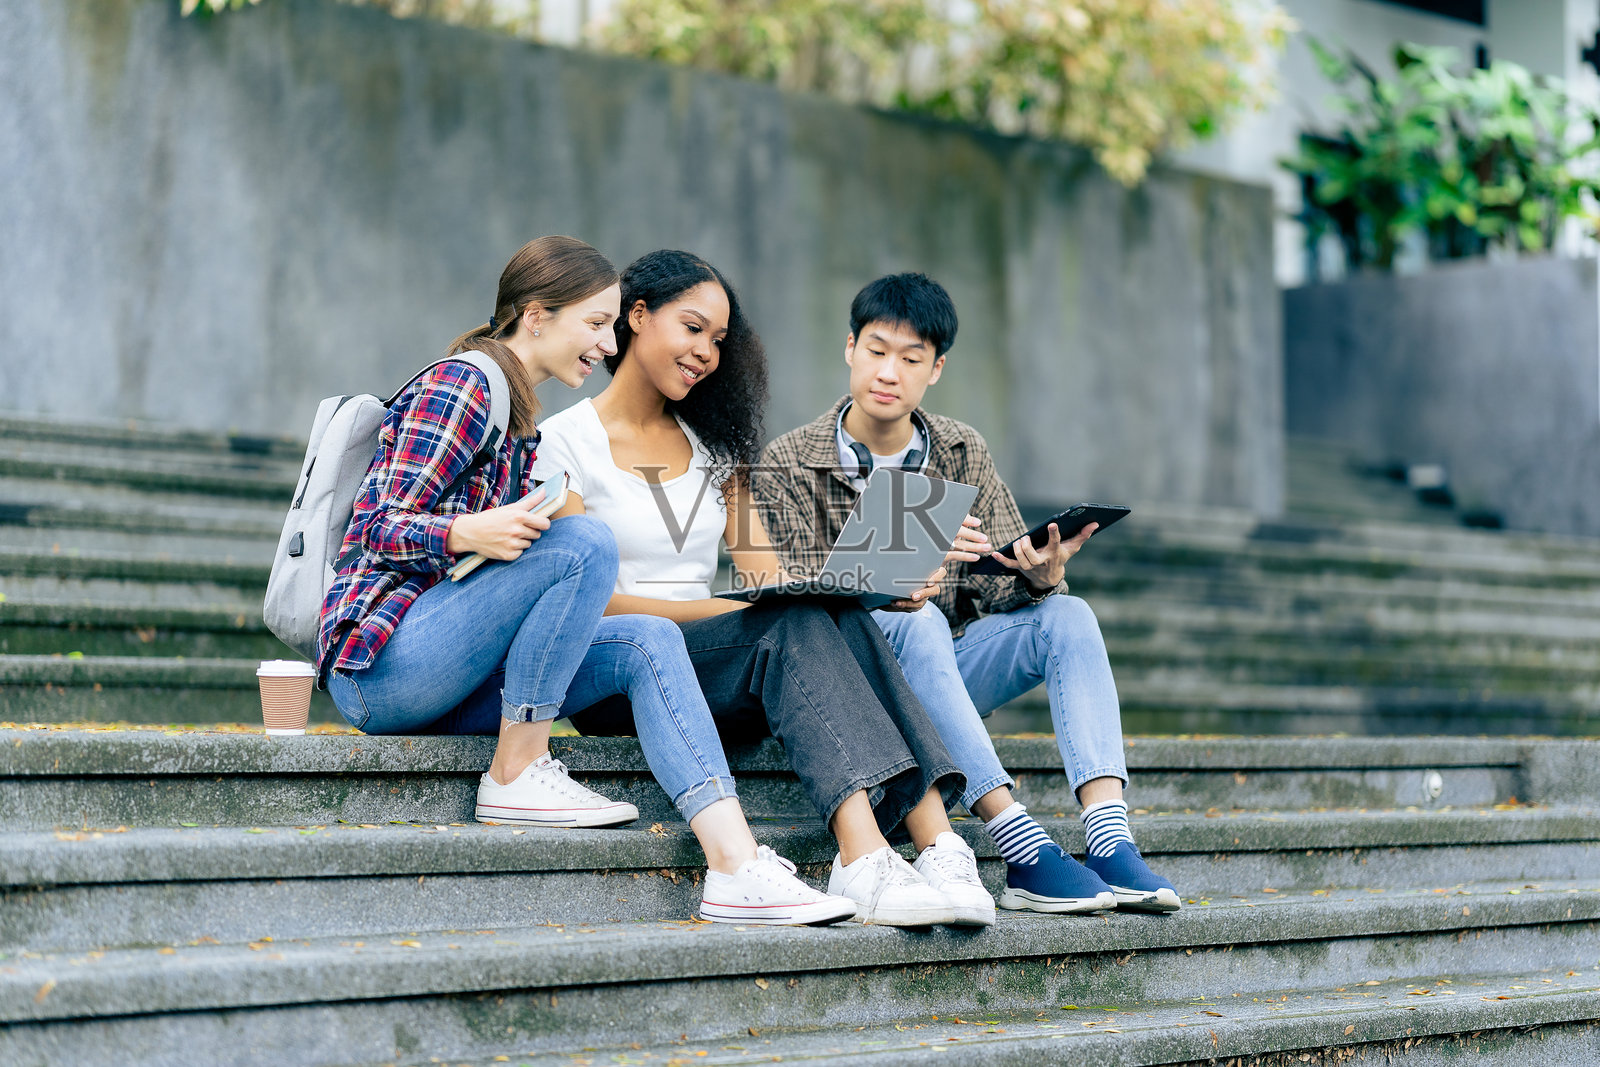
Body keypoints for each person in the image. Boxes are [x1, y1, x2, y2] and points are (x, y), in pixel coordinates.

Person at [318, 235, 856, 926]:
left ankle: (734, 864)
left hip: (456, 672)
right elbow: (372, 527)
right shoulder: (464, 382)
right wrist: (463, 533)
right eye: (595, 325)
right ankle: (515, 770)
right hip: (384, 663)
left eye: (610, 326)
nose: (605, 346)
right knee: (586, 540)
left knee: (645, 641)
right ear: (537, 317)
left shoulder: (521, 418)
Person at [533, 249, 997, 927]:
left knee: (822, 613)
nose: (707, 353)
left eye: (719, 341)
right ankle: (862, 857)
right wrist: (743, 608)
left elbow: (766, 578)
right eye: (693, 329)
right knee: (789, 618)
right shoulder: (562, 443)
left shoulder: (716, 448)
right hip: (621, 671)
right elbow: (591, 603)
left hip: (715, 667)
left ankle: (940, 846)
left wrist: (870, 588)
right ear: (636, 316)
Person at [753, 272, 1181, 914]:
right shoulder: (786, 461)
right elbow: (782, 607)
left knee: (1067, 615)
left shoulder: (959, 450)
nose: (889, 372)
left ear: (937, 368)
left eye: (911, 358)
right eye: (876, 351)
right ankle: (1020, 845)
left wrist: (1040, 575)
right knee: (918, 619)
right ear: (849, 348)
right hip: (856, 691)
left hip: (942, 676)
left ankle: (1109, 839)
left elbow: (1003, 581)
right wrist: (883, 590)